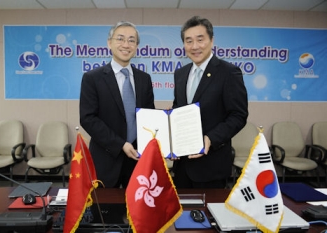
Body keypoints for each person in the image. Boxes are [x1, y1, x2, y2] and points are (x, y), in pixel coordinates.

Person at [172, 16, 248, 189]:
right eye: (188, 41)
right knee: (181, 214)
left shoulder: (229, 73)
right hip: (182, 166)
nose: (195, 46)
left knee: (209, 215)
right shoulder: (181, 74)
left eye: (200, 39)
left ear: (211, 40)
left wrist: (211, 139)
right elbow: (179, 107)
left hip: (211, 166)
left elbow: (238, 115)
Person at [80, 21, 155, 188]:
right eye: (120, 39)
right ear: (109, 43)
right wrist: (120, 144)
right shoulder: (93, 78)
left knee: (139, 212)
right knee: (106, 212)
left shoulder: (144, 79)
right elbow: (88, 119)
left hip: (138, 159)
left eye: (131, 40)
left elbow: (149, 116)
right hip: (105, 159)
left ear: (136, 46)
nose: (126, 45)